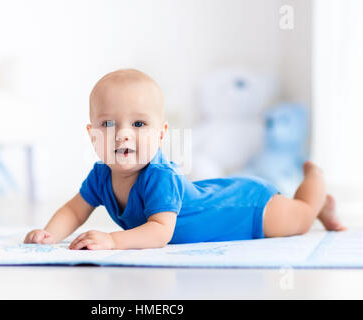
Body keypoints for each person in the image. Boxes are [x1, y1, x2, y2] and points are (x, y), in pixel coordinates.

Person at [24, 68, 346, 250]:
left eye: (138, 124)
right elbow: (73, 209)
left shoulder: (158, 174)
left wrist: (112, 239)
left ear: (161, 134)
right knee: (300, 217)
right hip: (219, 195)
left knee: (300, 220)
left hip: (247, 208)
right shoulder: (100, 176)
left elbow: (160, 232)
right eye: (109, 124)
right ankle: (325, 208)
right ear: (93, 135)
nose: (123, 134)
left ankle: (315, 182)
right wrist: (50, 234)